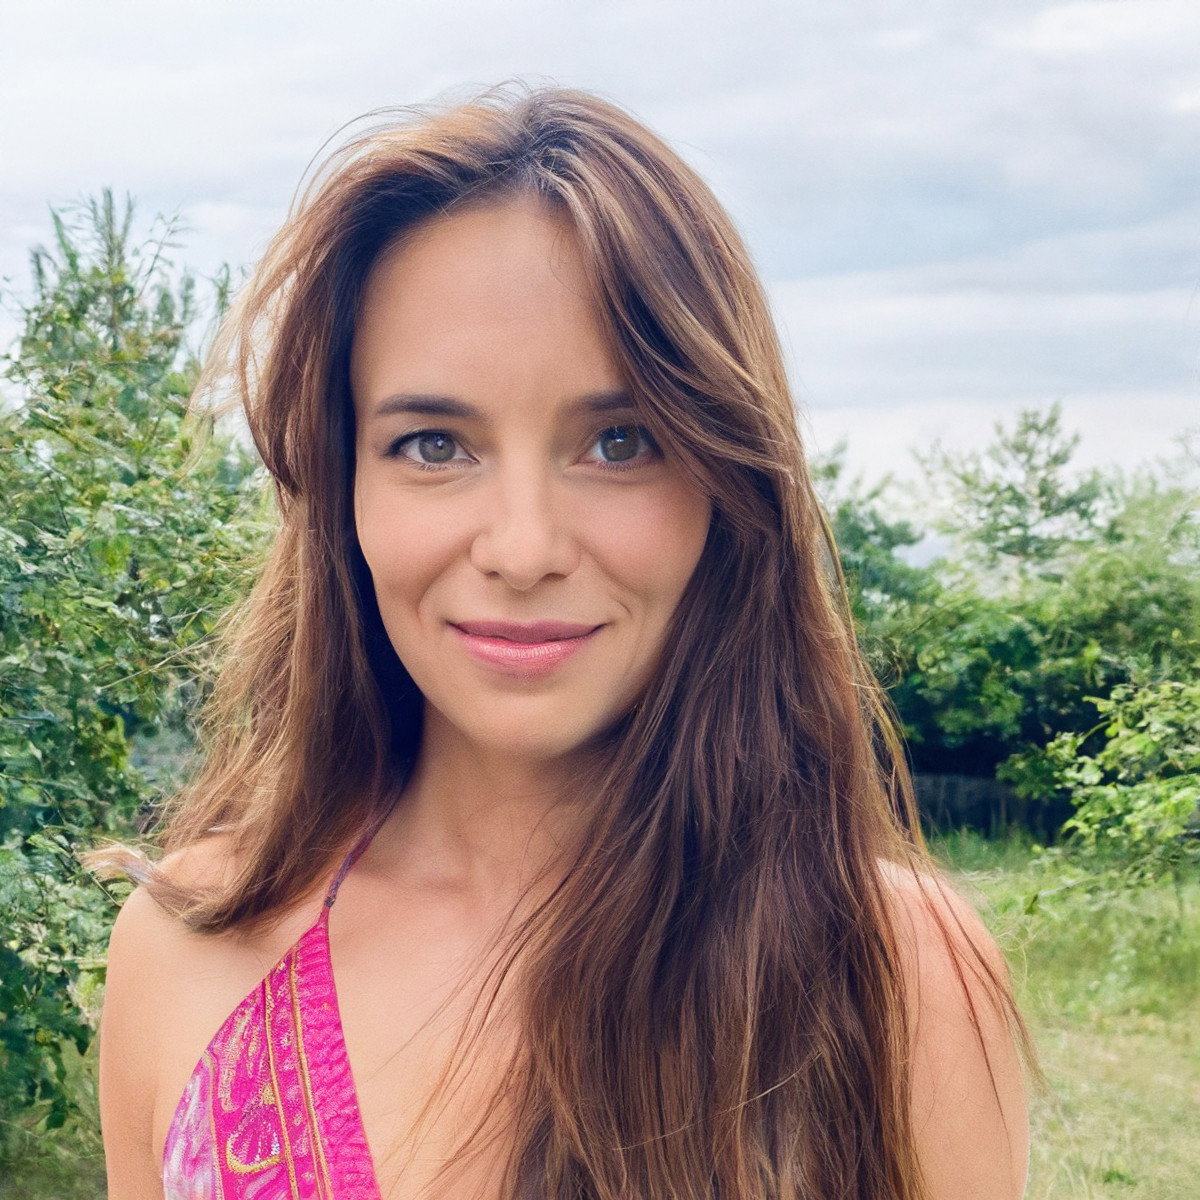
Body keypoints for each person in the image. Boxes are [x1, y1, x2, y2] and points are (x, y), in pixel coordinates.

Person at [97, 84, 1032, 1200]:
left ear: (729, 483)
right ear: (344, 489)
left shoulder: (897, 979)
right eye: (433, 444)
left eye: (621, 442)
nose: (524, 548)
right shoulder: (190, 944)